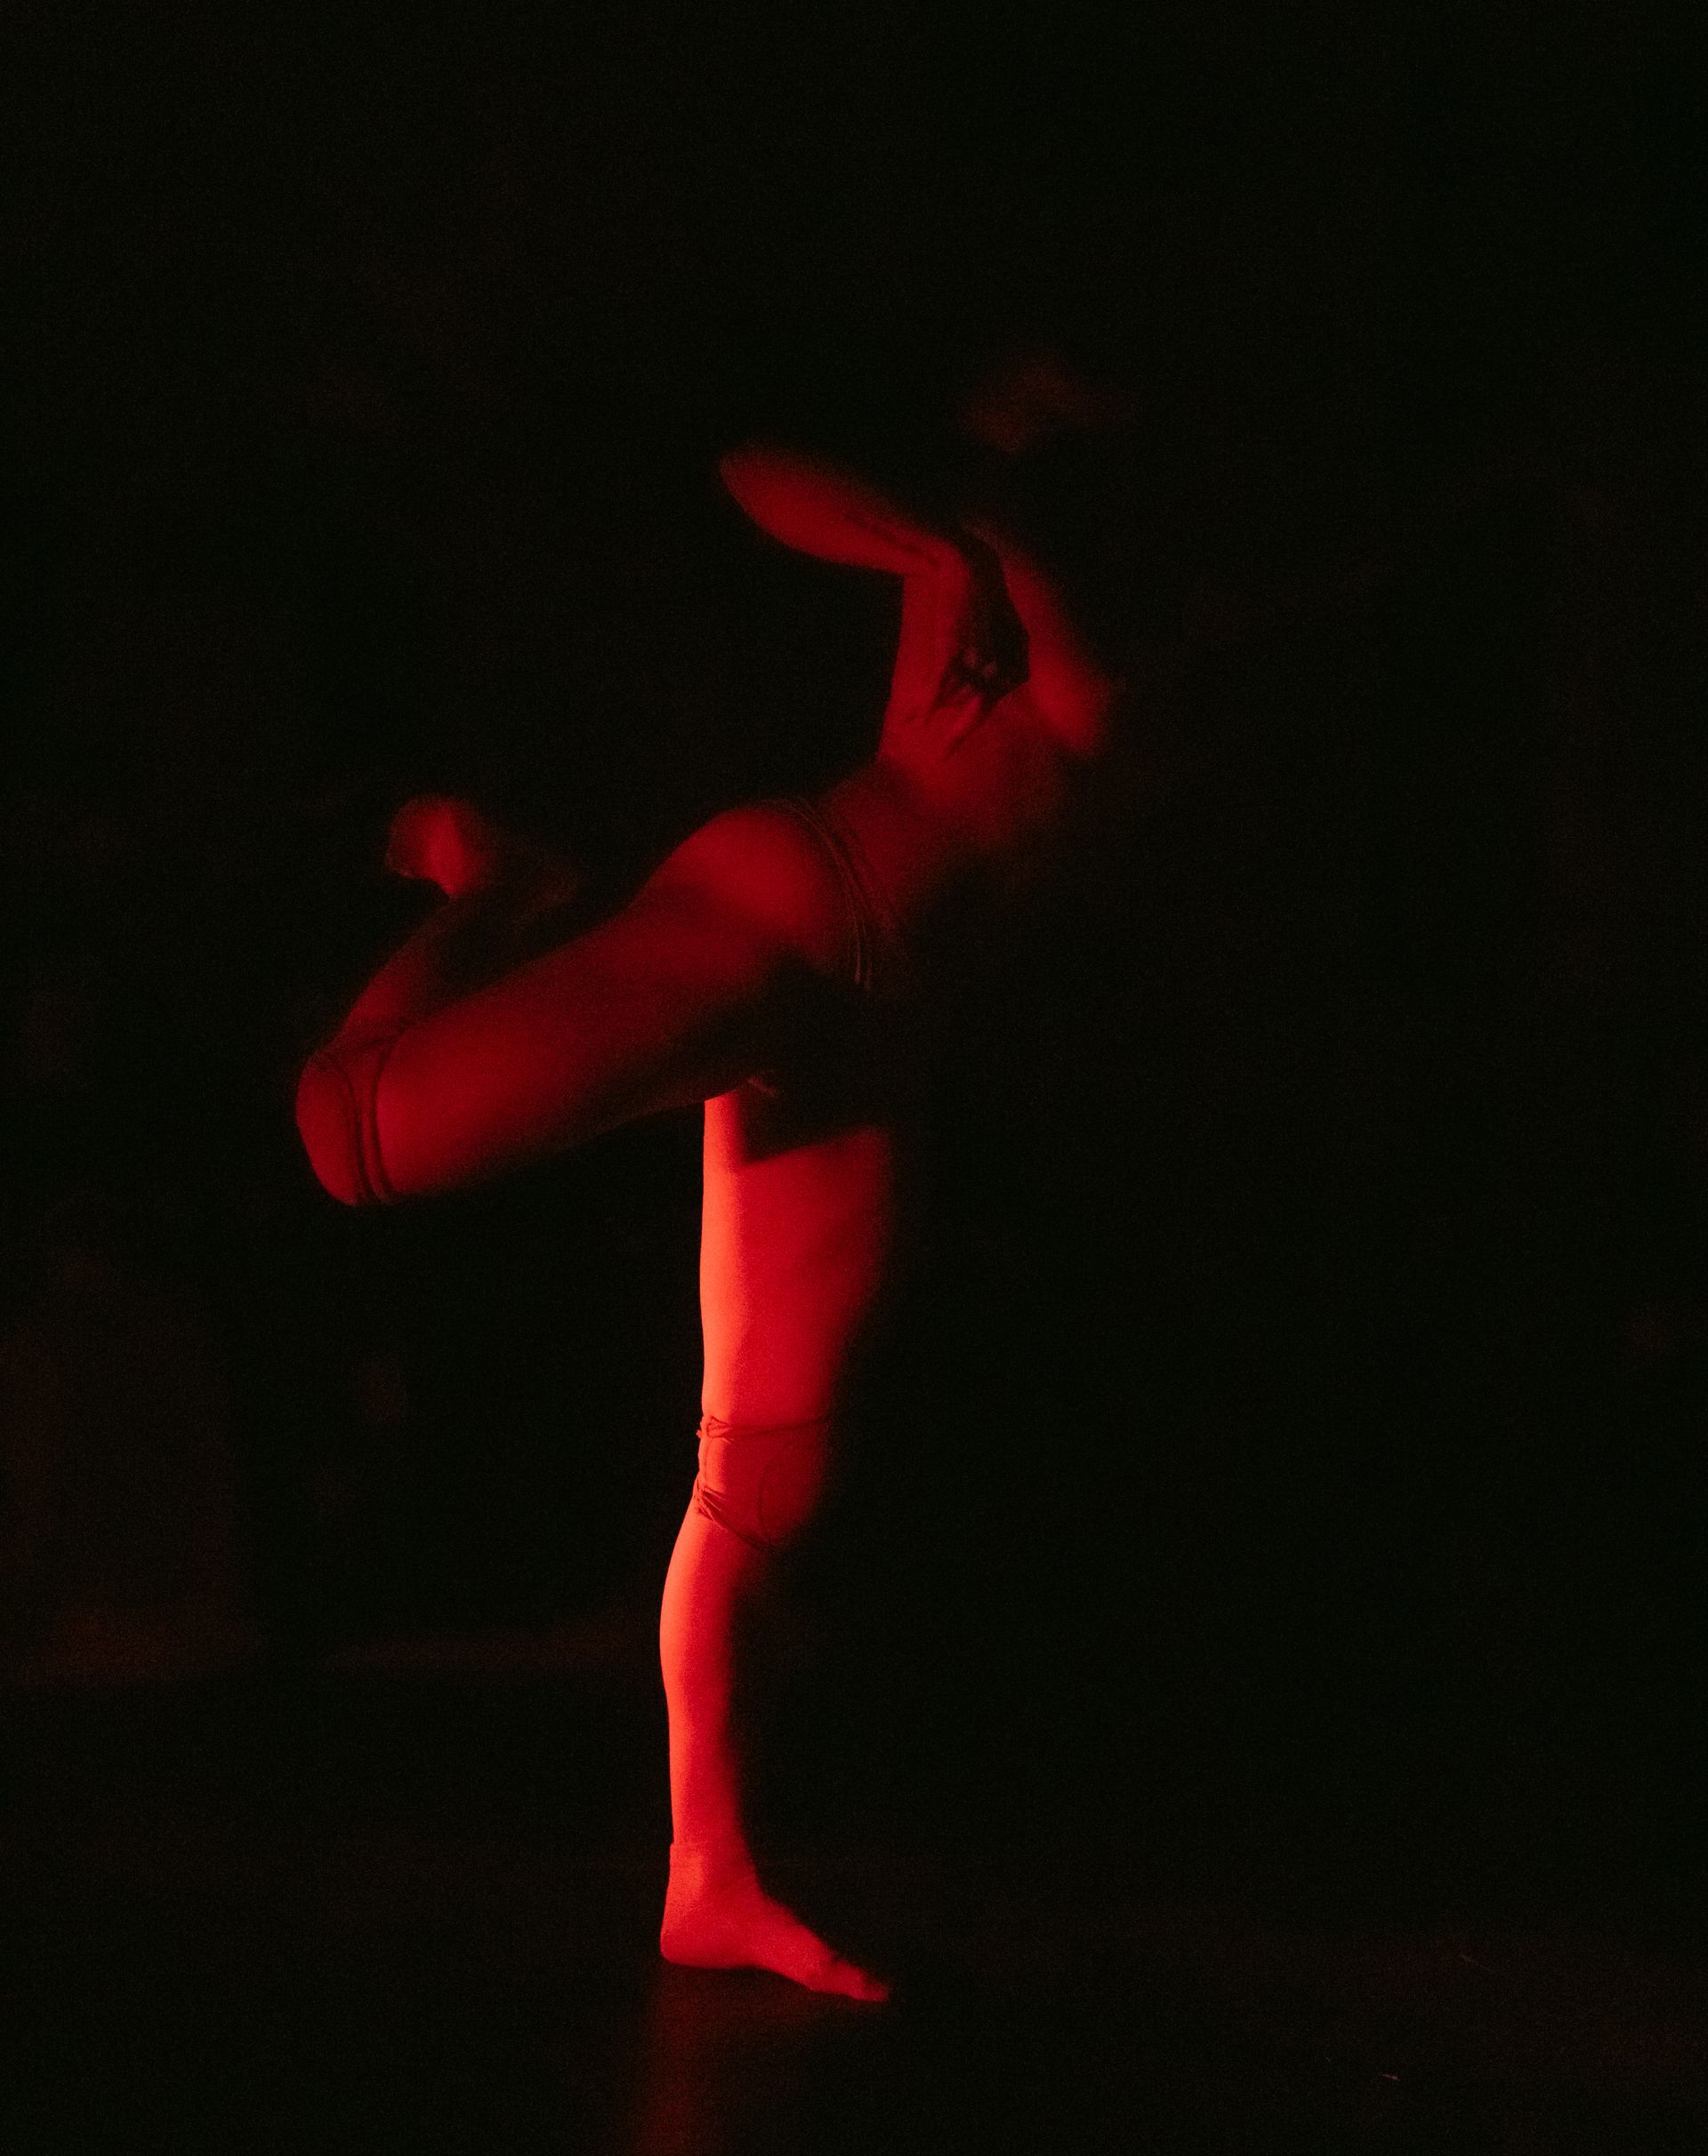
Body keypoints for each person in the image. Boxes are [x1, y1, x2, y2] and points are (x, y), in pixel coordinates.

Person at [295, 419, 1126, 1999]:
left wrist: (951, 541)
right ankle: (502, 883)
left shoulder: (1076, 598)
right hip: (793, 907)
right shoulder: (1042, 591)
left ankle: (710, 1879)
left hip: (873, 1025)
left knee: (763, 1489)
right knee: (355, 1140)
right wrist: (934, 543)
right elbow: (749, 461)